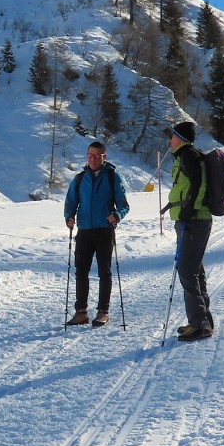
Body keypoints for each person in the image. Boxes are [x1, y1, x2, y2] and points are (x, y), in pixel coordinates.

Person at [63, 140, 131, 327]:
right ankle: (81, 313)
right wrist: (69, 217)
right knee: (81, 272)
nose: (92, 159)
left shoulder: (112, 177)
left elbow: (124, 205)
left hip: (104, 231)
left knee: (104, 272)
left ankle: (103, 312)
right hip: (84, 231)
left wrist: (117, 215)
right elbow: (70, 203)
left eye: (96, 156)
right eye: (89, 155)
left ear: (104, 157)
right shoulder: (79, 178)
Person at [164, 120, 214, 341]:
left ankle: (199, 324)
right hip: (190, 220)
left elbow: (199, 184)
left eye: (172, 136)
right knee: (194, 270)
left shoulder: (189, 155)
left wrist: (190, 211)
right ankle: (202, 320)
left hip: (193, 221)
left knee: (186, 270)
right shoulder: (186, 156)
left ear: (180, 139)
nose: (169, 140)